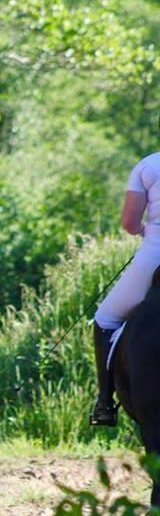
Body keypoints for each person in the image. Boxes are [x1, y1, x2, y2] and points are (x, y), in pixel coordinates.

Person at [90, 149, 160, 425]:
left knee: (105, 320)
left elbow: (129, 223)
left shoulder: (148, 166)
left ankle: (105, 404)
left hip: (154, 256)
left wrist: (147, 230)